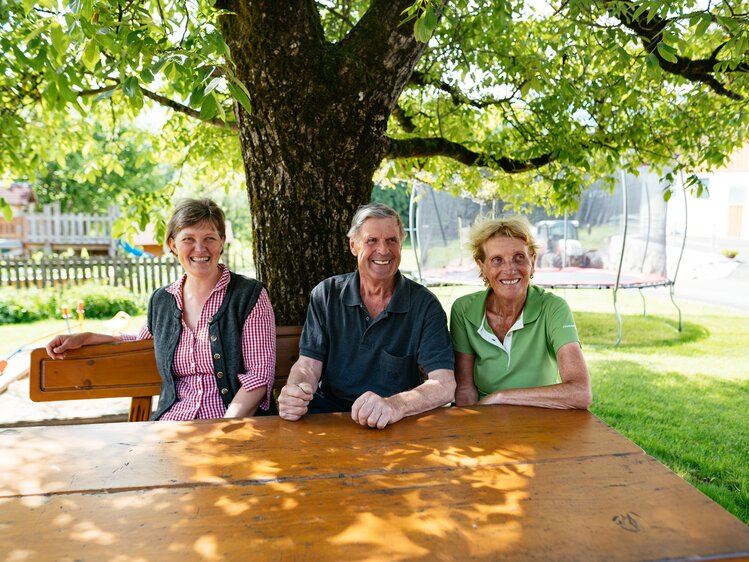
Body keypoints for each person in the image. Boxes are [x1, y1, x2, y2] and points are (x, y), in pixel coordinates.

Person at [46, 198, 276, 420]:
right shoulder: (163, 300)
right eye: (188, 239)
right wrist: (86, 337)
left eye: (209, 238)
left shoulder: (249, 296)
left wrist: (225, 428)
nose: (200, 248)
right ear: (173, 245)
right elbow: (140, 342)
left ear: (221, 241)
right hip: (173, 422)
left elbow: (259, 377)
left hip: (233, 423)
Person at [278, 203, 456, 429]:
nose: (383, 250)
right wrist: (296, 391)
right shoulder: (326, 295)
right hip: (332, 414)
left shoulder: (424, 304)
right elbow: (308, 366)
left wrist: (395, 405)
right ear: (353, 245)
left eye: (392, 240)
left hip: (397, 419)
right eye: (372, 240)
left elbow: (444, 384)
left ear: (401, 244)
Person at [450, 216, 592, 409]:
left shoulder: (553, 308)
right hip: (485, 417)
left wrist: (501, 397)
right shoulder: (463, 310)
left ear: (533, 261)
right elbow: (465, 389)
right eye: (497, 260)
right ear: (481, 267)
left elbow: (580, 393)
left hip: (541, 419)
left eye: (519, 258)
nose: (510, 269)